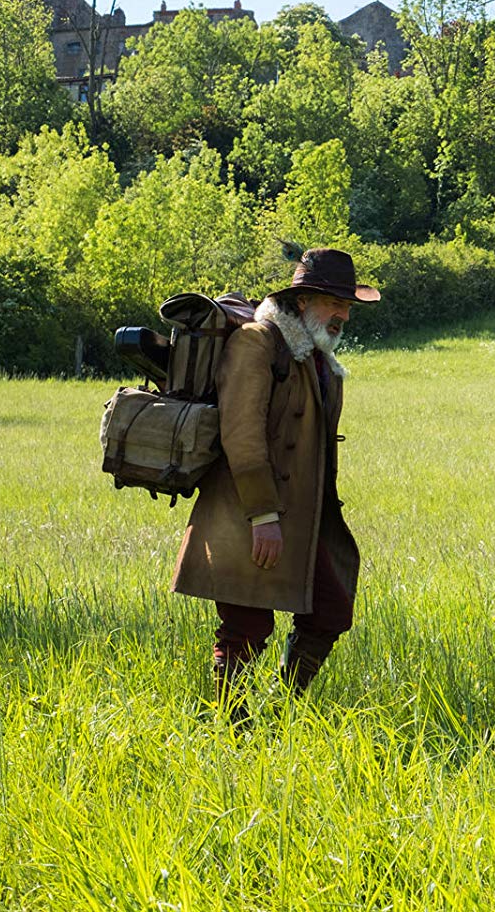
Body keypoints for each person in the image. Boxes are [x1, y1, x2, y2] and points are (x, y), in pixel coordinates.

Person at [171, 248, 380, 721]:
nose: (343, 315)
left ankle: (284, 710)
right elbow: (242, 434)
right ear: (303, 300)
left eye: (347, 306)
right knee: (245, 625)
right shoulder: (257, 342)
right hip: (250, 511)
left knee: (330, 609)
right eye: (334, 302)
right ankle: (229, 726)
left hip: (306, 517)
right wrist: (263, 514)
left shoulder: (315, 355)